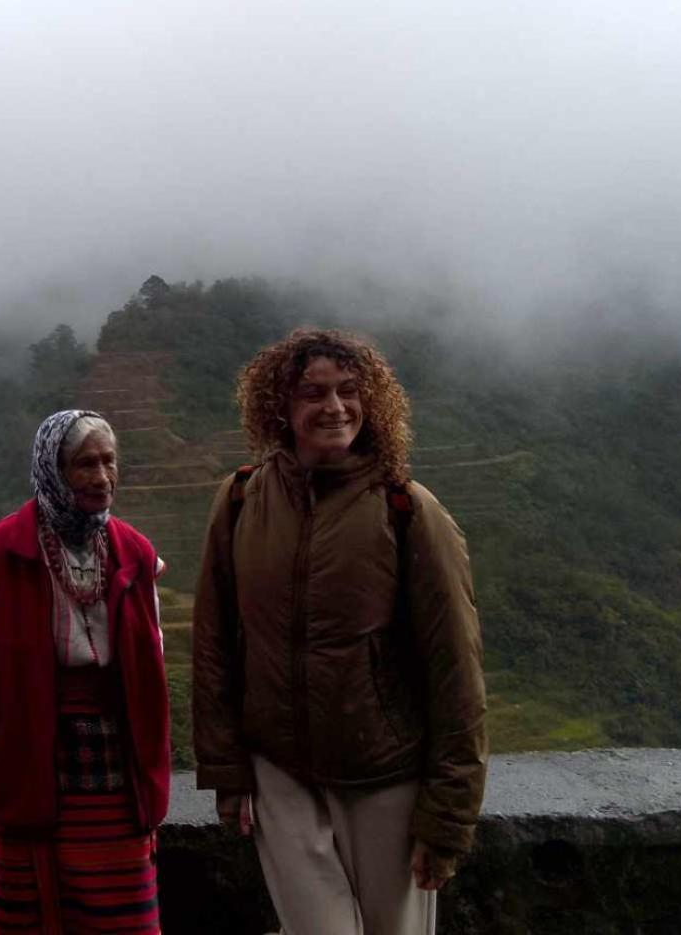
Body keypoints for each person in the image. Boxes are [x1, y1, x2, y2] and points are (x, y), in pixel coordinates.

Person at [192, 328, 487, 935]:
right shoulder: (243, 499)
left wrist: (449, 816)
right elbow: (216, 641)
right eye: (313, 393)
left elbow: (455, 668)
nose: (334, 407)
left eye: (349, 391)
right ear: (281, 406)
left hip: (385, 773)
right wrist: (225, 771)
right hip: (279, 770)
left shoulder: (407, 510)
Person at [0, 409, 171, 935]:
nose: (101, 477)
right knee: (34, 908)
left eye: (109, 461)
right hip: (30, 749)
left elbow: (153, 650)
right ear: (53, 470)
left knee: (124, 912)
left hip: (116, 759)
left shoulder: (136, 554)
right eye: (84, 464)